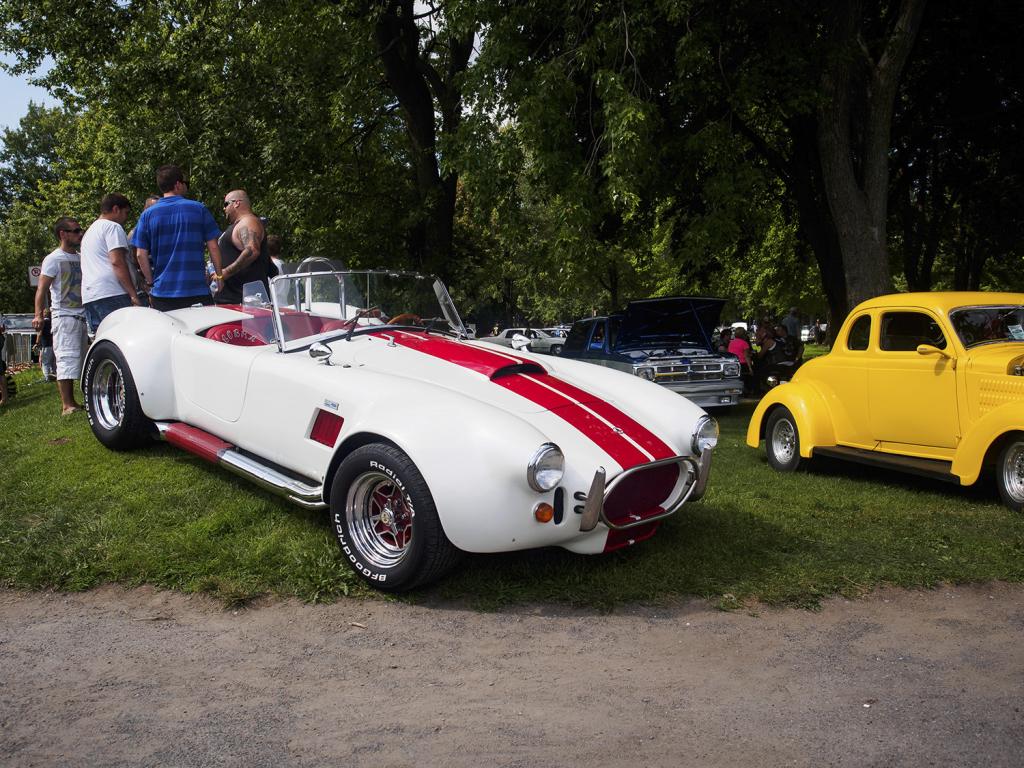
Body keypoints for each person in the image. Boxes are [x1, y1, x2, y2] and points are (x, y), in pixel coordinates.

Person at [130, 165, 224, 311]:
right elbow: (213, 246)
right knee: (201, 333)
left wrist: (150, 283)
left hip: (163, 293)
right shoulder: (199, 209)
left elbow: (140, 254)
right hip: (196, 289)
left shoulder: (147, 215)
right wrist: (219, 276)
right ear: (178, 184)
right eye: (185, 182)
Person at [33, 217, 88, 414]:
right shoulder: (53, 259)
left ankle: (81, 400)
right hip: (64, 316)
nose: (79, 234)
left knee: (82, 359)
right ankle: (68, 405)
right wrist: (38, 315)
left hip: (84, 315)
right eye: (75, 230)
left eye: (80, 230)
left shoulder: (81, 257)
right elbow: (42, 289)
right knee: (66, 358)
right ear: (62, 234)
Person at [81, 193, 142, 333]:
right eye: (125, 213)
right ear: (116, 209)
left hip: (91, 296)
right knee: (122, 338)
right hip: (113, 293)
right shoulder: (112, 227)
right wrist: (133, 294)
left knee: (104, 341)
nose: (126, 218)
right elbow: (117, 261)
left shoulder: (89, 232)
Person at [214, 190, 273, 305]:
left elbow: (252, 251)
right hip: (232, 302)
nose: (224, 209)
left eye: (226, 204)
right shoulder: (239, 224)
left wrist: (226, 272)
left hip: (244, 303)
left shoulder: (248, 222)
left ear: (236, 203)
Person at [127, 194, 160, 297]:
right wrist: (146, 283)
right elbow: (133, 262)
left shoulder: (159, 230)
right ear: (146, 210)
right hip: (146, 286)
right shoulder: (135, 233)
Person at [36, 308, 56, 381]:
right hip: (54, 344)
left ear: (44, 314)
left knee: (45, 362)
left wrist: (37, 343)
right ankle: (53, 375)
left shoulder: (42, 322)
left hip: (46, 344)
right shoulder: (52, 322)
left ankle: (47, 377)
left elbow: (40, 333)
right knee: (52, 362)